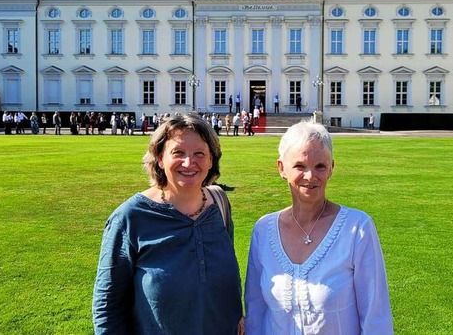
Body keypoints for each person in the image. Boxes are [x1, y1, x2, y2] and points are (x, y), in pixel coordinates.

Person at [92, 113, 244, 334]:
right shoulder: (131, 217)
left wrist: (236, 314)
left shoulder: (219, 203)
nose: (189, 162)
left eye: (199, 153)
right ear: (160, 158)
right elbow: (107, 306)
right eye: (178, 152)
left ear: (211, 159)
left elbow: (227, 269)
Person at [244, 120, 393, 334]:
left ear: (331, 168)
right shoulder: (264, 230)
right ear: (281, 168)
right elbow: (256, 310)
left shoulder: (357, 228)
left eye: (320, 166)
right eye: (299, 166)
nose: (310, 176)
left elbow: (375, 318)